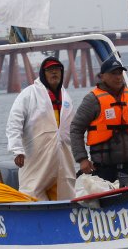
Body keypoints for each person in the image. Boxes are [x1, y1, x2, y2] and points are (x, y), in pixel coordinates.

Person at [5, 56, 76, 201]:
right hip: (36, 158)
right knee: (32, 192)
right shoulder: (28, 94)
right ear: (43, 73)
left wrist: (81, 155)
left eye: (57, 70)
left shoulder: (66, 97)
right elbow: (14, 123)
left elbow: (73, 128)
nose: (54, 73)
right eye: (50, 70)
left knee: (65, 193)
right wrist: (17, 150)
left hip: (63, 158)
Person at [70, 57, 128, 188]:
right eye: (113, 73)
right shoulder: (92, 100)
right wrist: (82, 159)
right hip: (104, 169)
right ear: (102, 76)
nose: (118, 77)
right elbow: (76, 129)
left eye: (120, 73)